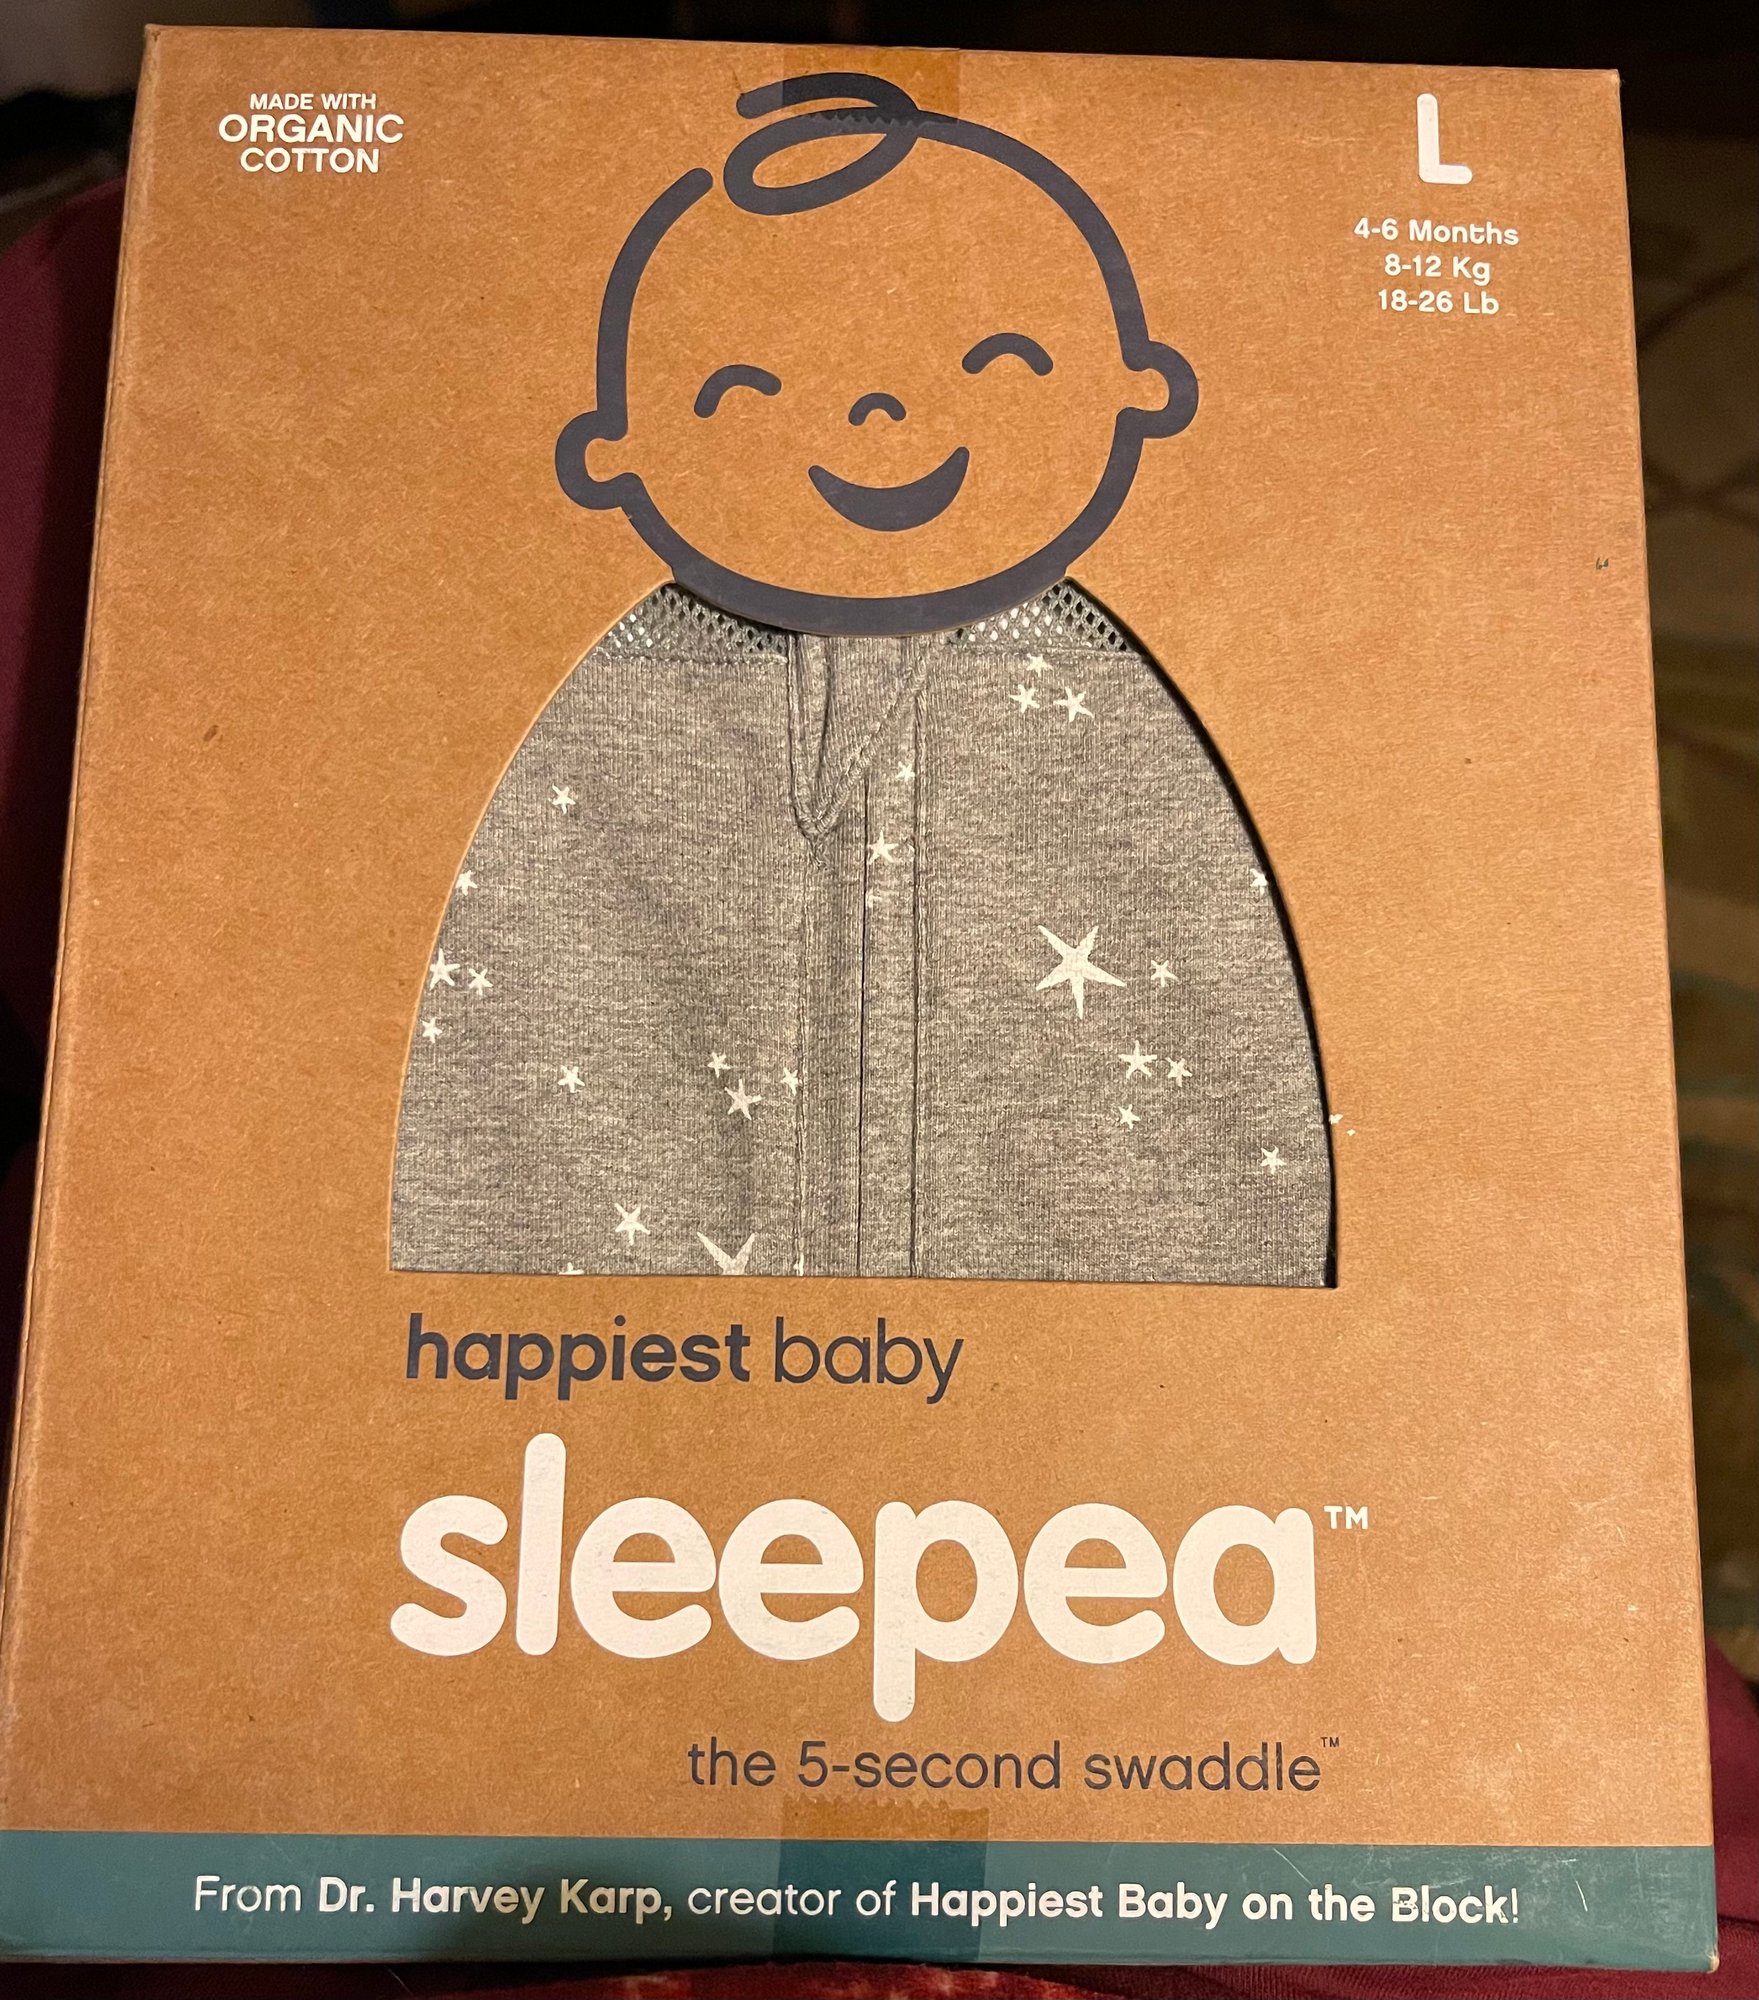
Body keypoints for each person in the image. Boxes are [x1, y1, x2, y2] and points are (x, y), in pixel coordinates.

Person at [393, 74, 1332, 1285]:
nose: (879, 414)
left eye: (1000, 362)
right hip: (505, 1383)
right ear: (609, 453)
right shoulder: (431, 625)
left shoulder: (1302, 627)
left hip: (1207, 1397)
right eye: (748, 392)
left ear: (1142, 389)